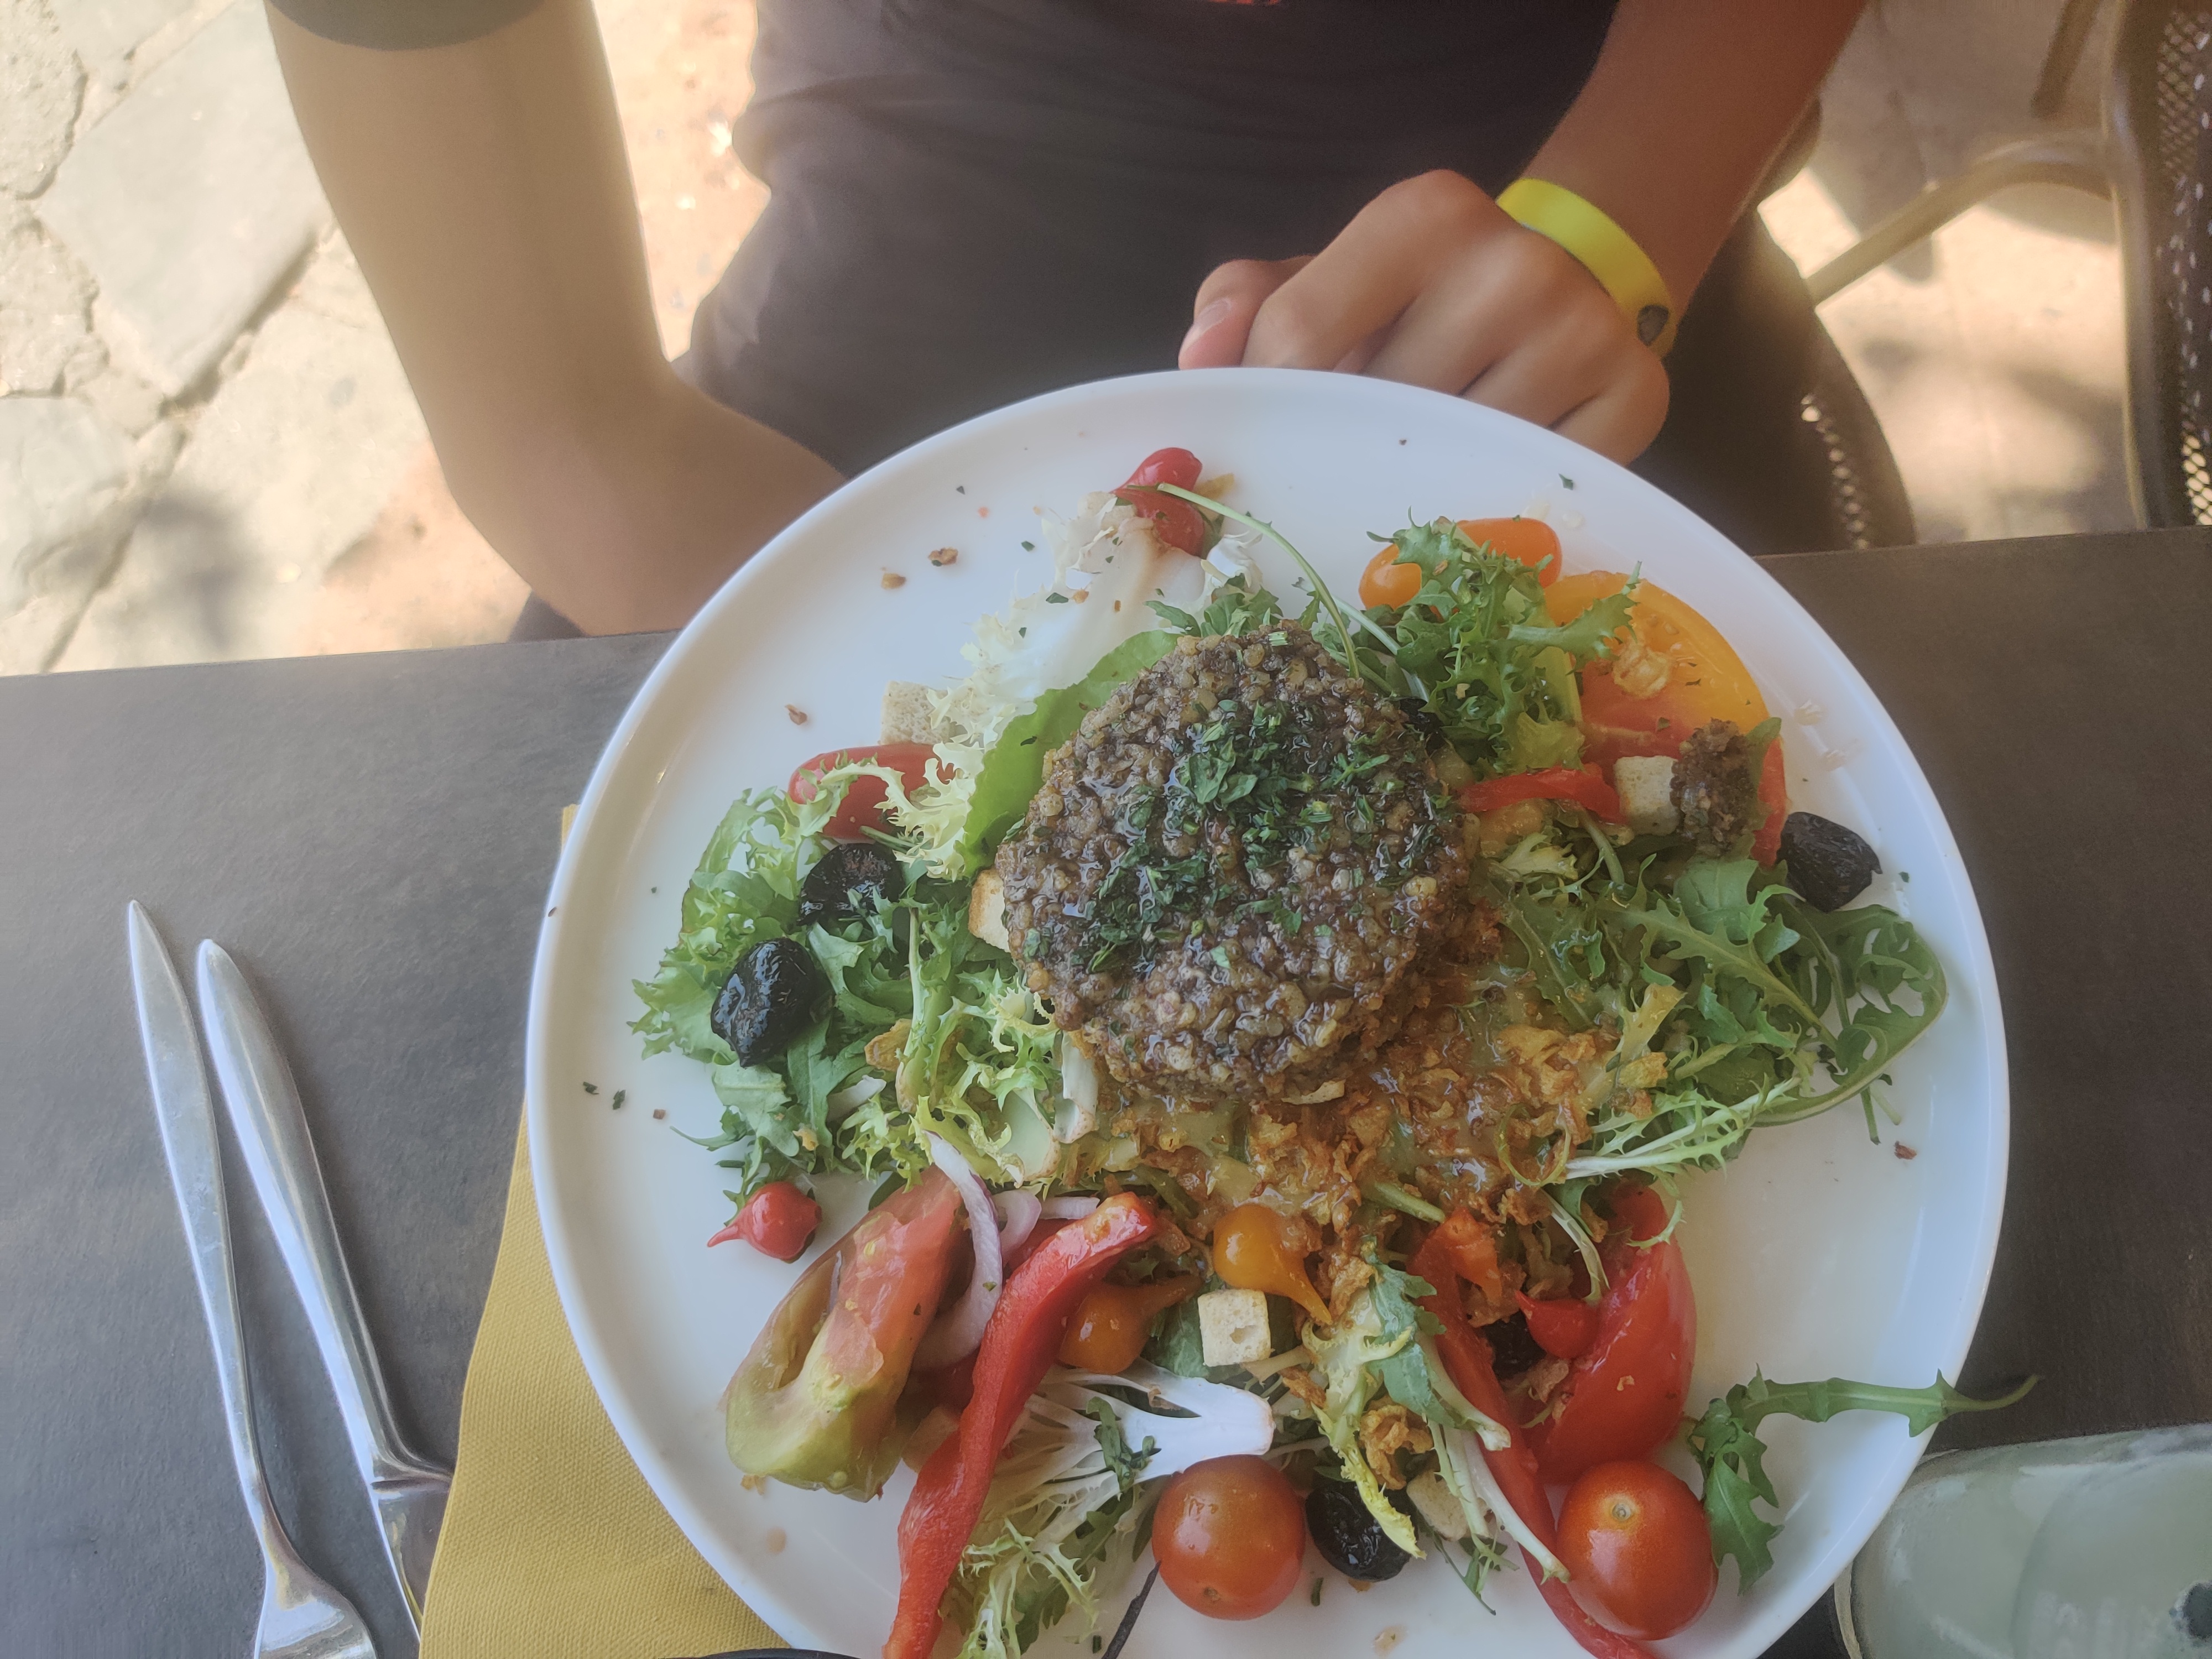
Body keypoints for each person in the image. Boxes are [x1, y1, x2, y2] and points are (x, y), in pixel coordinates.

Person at [267, 0, 1867, 638]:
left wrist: (1611, 226)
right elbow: (567, 432)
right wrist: (959, 725)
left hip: (1572, 170)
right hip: (928, 169)